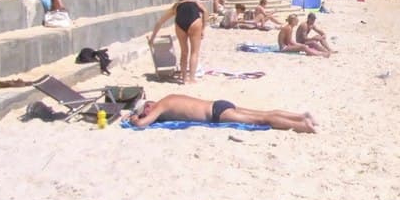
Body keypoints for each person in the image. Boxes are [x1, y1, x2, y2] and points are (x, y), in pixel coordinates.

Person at [130, 93, 315, 133]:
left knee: (262, 119)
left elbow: (140, 125)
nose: (147, 114)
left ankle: (302, 125)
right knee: (263, 113)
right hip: (218, 103)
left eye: (144, 111)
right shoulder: (169, 97)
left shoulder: (159, 106)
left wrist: (134, 118)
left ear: (148, 107)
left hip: (216, 114)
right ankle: (301, 116)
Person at [148, 0, 207, 84]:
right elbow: (205, 12)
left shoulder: (176, 5)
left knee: (184, 52)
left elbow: (160, 22)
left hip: (180, 24)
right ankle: (192, 78)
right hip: (195, 23)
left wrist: (152, 38)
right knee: (194, 52)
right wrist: (203, 28)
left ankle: (184, 78)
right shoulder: (195, 2)